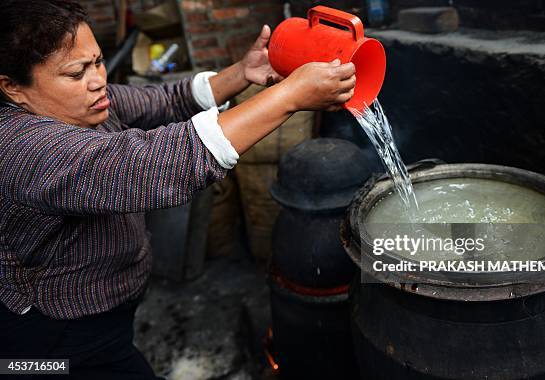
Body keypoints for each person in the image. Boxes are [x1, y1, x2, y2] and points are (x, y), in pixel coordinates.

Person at [0, 0, 356, 378]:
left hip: (106, 312)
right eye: (75, 73)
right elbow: (158, 162)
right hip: (55, 336)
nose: (98, 80)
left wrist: (242, 72)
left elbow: (167, 101)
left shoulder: (84, 103)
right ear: (12, 88)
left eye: (98, 61)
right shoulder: (20, 148)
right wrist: (290, 96)